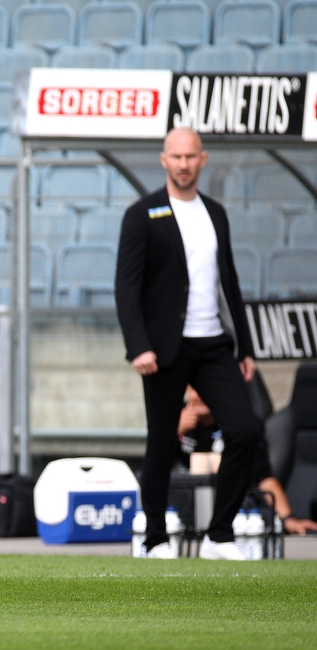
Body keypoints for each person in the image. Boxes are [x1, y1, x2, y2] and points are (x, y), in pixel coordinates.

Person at [115, 126, 262, 561]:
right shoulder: (143, 213)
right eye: (175, 156)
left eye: (190, 156)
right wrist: (137, 345)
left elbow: (230, 282)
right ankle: (156, 539)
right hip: (163, 348)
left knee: (245, 430)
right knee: (162, 441)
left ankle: (219, 535)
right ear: (164, 160)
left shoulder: (215, 212)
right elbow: (126, 287)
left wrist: (246, 347)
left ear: (203, 159)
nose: (183, 164)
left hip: (214, 342)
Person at [178, 386, 317, 536]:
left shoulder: (240, 424)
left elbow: (263, 478)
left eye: (204, 387)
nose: (199, 396)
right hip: (185, 518)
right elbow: (156, 468)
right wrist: (176, 430)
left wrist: (288, 519)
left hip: (236, 518)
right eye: (194, 389)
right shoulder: (176, 417)